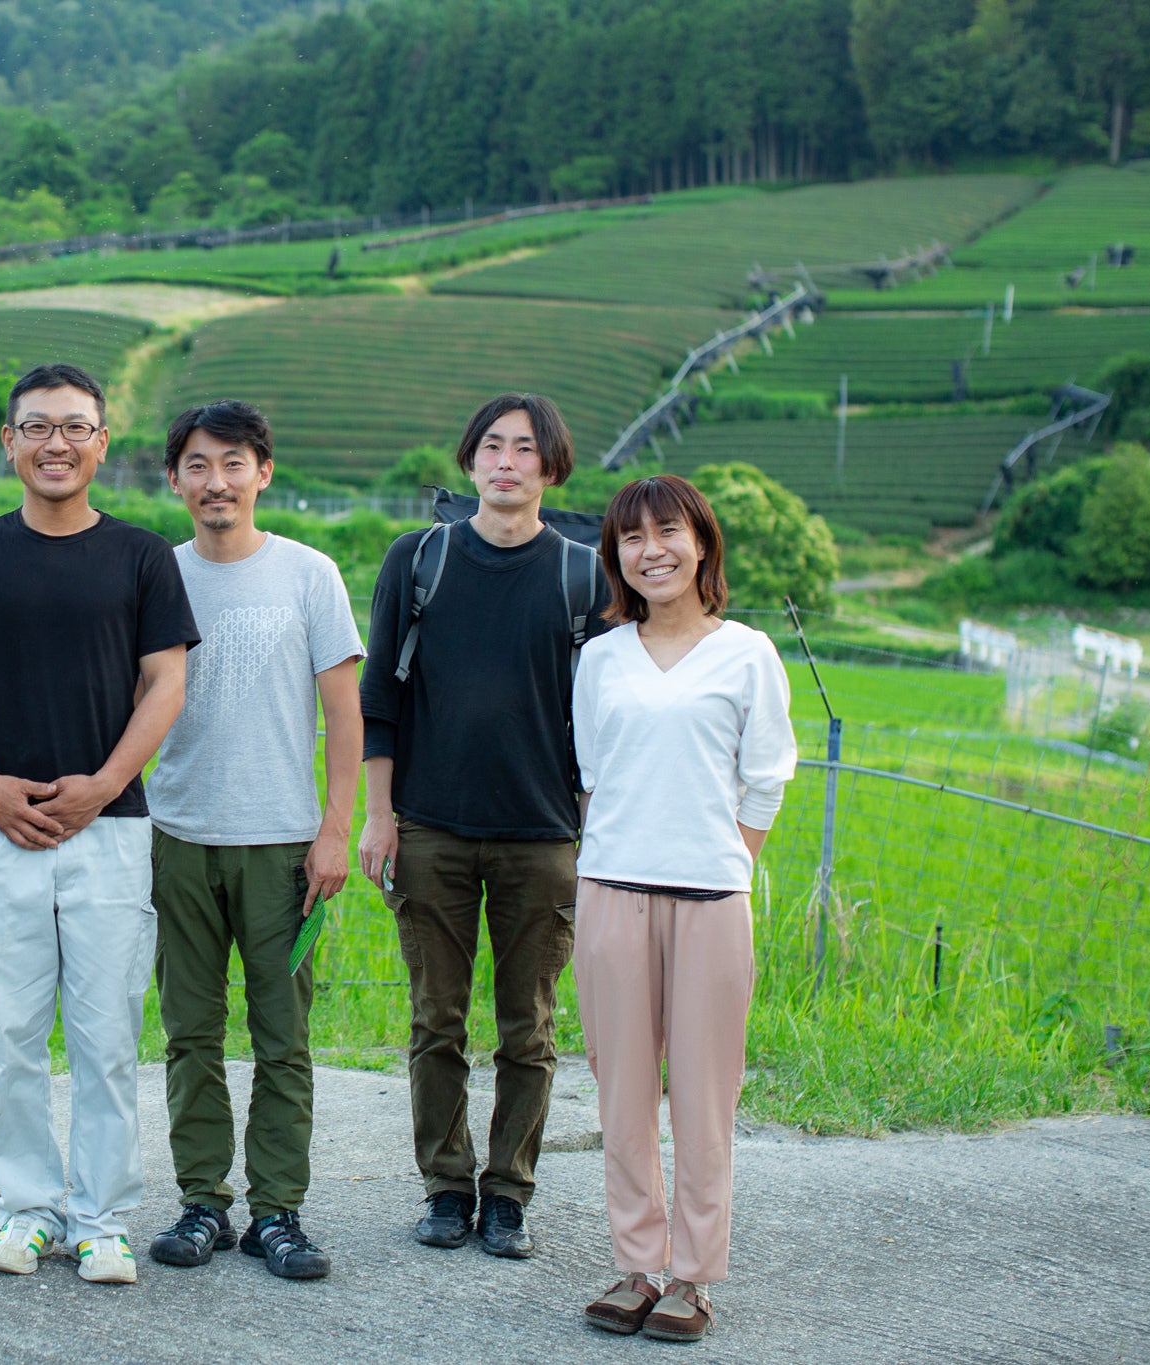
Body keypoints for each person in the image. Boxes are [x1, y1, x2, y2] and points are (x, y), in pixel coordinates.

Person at [0, 362, 199, 1286]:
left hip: (111, 831)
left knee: (108, 1039)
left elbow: (166, 681)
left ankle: (103, 1220)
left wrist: (106, 784)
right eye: (36, 427)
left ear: (102, 443)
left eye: (75, 427)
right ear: (10, 442)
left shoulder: (142, 557)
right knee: (13, 1039)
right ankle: (27, 1209)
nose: (56, 444)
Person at [357, 393, 611, 1258]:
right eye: (492, 446)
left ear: (552, 467)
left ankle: (508, 1192)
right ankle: (444, 1185)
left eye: (526, 448)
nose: (507, 462)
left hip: (543, 837)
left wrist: (592, 839)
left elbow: (604, 720)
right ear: (470, 462)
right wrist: (379, 817)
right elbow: (380, 700)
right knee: (436, 1021)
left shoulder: (584, 576)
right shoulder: (419, 559)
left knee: (527, 1028)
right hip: (430, 827)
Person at [571, 474, 796, 1343]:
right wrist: (623, 857)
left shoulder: (747, 652)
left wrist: (723, 861)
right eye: (631, 537)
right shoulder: (602, 657)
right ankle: (637, 1264)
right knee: (622, 1093)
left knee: (704, 1097)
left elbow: (766, 778)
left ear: (701, 543)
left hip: (711, 901)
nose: (651, 550)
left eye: (667, 531)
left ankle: (694, 1276)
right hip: (612, 892)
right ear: (616, 558)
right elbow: (594, 776)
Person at [144, 400, 364, 1280]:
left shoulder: (310, 574)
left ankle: (278, 1210)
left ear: (263, 472)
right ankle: (203, 1199)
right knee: (190, 1033)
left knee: (283, 1037)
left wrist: (336, 829)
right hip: (178, 836)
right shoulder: (155, 574)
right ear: (174, 478)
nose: (217, 482)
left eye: (234, 463)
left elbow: (345, 712)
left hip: (284, 846)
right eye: (198, 465)